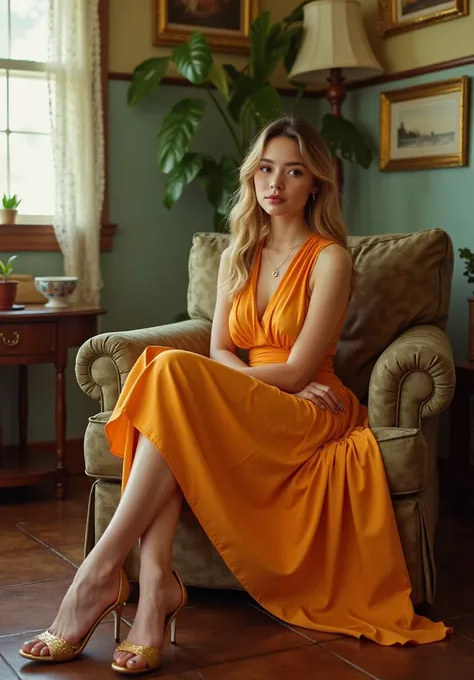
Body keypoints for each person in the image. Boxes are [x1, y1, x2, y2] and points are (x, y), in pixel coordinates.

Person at [19, 116, 451, 675]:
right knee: (175, 393)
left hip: (311, 406)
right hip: (249, 395)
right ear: (252, 177)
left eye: (294, 172)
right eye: (266, 169)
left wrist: (219, 384)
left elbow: (297, 372)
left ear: (314, 184)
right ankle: (153, 591)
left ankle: (99, 574)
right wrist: (219, 385)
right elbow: (221, 348)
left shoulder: (330, 259)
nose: (277, 183)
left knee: (171, 377)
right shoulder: (235, 255)